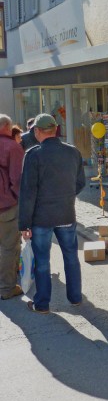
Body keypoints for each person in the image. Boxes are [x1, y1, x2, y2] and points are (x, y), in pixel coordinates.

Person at [19, 114, 86, 314]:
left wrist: (24, 224)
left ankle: (42, 304)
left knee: (42, 261)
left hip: (41, 217)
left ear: (38, 131)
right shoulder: (73, 152)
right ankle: (75, 298)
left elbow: (28, 192)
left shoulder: (33, 154)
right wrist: (65, 196)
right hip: (66, 214)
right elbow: (80, 182)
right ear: (56, 129)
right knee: (71, 257)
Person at [0, 115, 24, 300]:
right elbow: (17, 179)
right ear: (7, 127)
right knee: (9, 247)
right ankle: (7, 288)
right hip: (6, 205)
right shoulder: (12, 147)